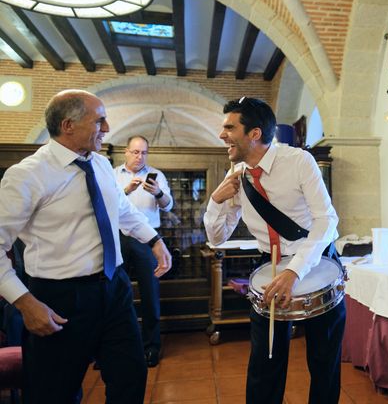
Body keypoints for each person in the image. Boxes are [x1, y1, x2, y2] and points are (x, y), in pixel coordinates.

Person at [0, 89, 172, 404]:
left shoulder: (102, 164)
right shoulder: (27, 176)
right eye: (100, 121)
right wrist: (25, 303)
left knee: (130, 376)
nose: (106, 129)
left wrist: (155, 239)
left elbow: (122, 210)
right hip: (59, 299)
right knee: (54, 392)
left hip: (114, 287)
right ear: (68, 125)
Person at [203, 97, 343, 404]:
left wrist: (295, 270)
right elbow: (216, 236)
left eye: (229, 127)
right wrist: (216, 200)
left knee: (324, 362)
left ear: (253, 134)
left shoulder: (298, 161)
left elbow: (327, 220)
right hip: (270, 265)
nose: (222, 134)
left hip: (315, 260)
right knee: (265, 361)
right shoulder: (236, 176)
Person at [114, 135, 173, 367]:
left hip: (149, 240)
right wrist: (125, 191)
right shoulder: (111, 174)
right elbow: (106, 205)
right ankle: (117, 345)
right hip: (118, 237)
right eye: (135, 152)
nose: (140, 157)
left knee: (150, 292)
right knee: (116, 292)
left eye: (144, 153)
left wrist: (157, 192)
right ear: (126, 152)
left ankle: (151, 346)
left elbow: (169, 205)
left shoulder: (157, 175)